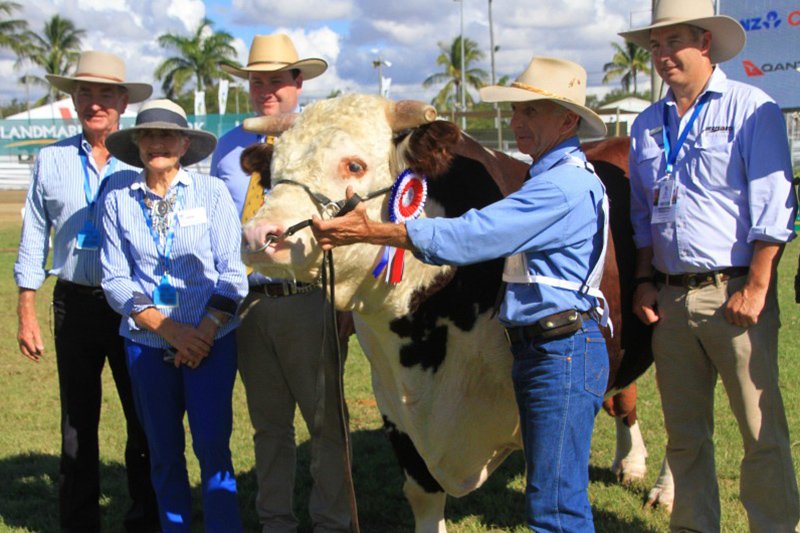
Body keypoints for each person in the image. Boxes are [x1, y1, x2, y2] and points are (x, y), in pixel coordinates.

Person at [308, 57, 611, 532]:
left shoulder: (562, 186)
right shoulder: (553, 178)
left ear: (568, 120)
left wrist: (378, 231)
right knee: (549, 493)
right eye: (515, 111)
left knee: (555, 503)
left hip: (562, 350)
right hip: (549, 345)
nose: (516, 123)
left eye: (531, 112)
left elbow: (474, 236)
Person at [621, 1, 800, 531]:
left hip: (734, 291)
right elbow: (642, 213)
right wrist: (645, 280)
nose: (661, 55)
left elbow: (774, 205)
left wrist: (758, 286)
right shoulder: (647, 124)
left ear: (705, 42)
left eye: (671, 42)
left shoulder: (752, 107)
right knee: (684, 435)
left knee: (760, 433)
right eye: (654, 45)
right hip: (671, 298)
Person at [210, 33, 352, 532]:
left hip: (308, 299)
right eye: (257, 80)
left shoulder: (324, 143)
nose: (266, 89)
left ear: (298, 83)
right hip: (247, 305)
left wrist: (344, 301)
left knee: (326, 425)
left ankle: (332, 521)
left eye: (276, 80)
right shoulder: (227, 149)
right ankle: (276, 522)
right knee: (268, 427)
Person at [14, 50, 160, 533]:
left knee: (142, 418)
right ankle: (78, 523)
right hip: (73, 304)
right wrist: (26, 309)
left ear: (123, 101)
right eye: (86, 93)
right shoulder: (50, 160)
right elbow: (34, 234)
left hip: (133, 307)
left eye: (106, 94)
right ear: (74, 98)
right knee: (78, 422)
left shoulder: (142, 163)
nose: (95, 103)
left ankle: (145, 518)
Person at [100, 99, 248, 532]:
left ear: (185, 143)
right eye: (148, 135)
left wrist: (199, 333)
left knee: (213, 449)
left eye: (167, 135)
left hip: (212, 343)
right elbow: (115, 280)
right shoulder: (116, 197)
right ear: (137, 144)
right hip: (147, 345)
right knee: (162, 453)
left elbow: (232, 274)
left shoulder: (212, 193)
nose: (157, 143)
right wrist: (172, 332)